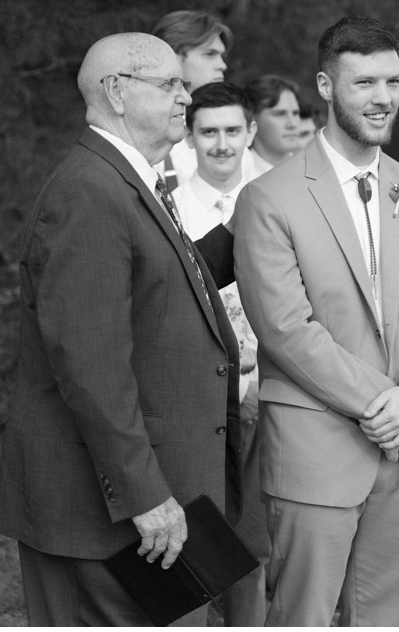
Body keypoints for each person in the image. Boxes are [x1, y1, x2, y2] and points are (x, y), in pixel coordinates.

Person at [0, 33, 242, 626]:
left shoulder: (128, 180)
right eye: (172, 84)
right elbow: (90, 364)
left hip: (153, 487)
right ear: (117, 92)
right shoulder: (88, 192)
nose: (188, 96)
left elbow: (158, 294)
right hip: (105, 509)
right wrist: (145, 495)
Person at [234, 15, 399, 626]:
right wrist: (391, 406)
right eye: (364, 83)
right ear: (327, 87)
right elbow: (286, 329)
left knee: (383, 617)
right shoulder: (269, 199)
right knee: (300, 618)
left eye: (393, 81)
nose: (383, 98)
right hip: (317, 448)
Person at [171, 82, 269, 627]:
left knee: (252, 541)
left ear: (251, 132)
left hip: (266, 390)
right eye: (209, 131)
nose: (223, 143)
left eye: (233, 130)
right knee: (193, 539)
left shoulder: (276, 200)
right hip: (200, 397)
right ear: (190, 137)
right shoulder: (169, 211)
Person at [152, 10, 234, 190]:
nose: (222, 65)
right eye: (210, 54)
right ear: (172, 56)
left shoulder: (232, 128)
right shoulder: (144, 133)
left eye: (222, 55)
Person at [243, 75, 305, 177]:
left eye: (295, 113)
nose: (292, 124)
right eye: (280, 114)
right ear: (252, 119)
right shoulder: (240, 177)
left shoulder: (315, 171)